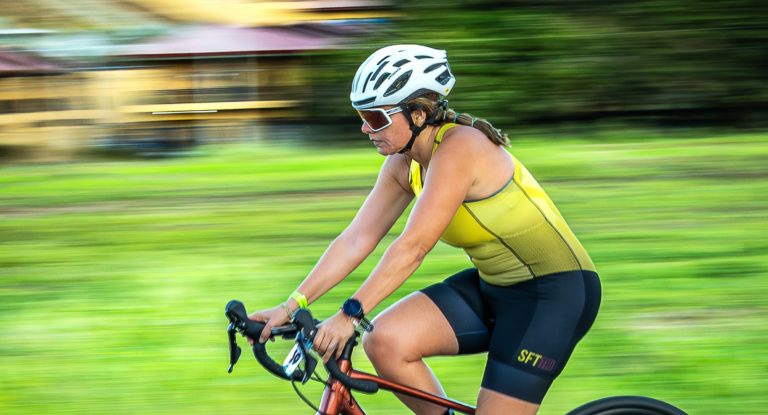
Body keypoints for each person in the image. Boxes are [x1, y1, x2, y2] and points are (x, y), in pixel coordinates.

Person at [248, 44, 601, 415]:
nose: (365, 128)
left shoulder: (462, 148)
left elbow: (413, 247)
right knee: (385, 341)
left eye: (376, 117)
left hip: (554, 295)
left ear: (417, 114)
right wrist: (291, 306)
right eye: (361, 115)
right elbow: (357, 238)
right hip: (494, 287)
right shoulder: (404, 163)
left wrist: (350, 315)